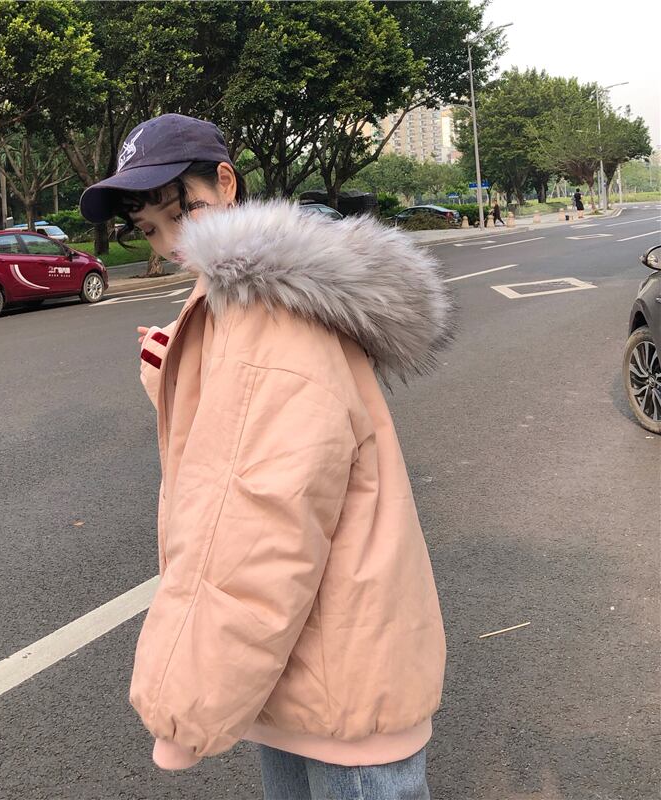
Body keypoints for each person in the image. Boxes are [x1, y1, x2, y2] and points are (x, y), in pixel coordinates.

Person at [79, 113, 454, 800]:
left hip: (337, 688)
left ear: (226, 182)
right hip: (308, 671)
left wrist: (183, 703)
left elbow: (256, 522)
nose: (171, 243)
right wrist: (180, 372)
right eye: (150, 229)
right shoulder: (254, 302)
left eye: (180, 213)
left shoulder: (264, 317)